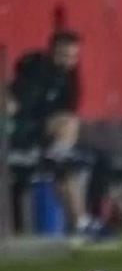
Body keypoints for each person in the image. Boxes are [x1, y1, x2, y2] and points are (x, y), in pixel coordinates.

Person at [9, 30, 104, 236]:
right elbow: (24, 108)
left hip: (50, 141)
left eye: (73, 57)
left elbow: (71, 106)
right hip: (27, 138)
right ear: (53, 52)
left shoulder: (71, 78)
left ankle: (85, 222)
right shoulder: (35, 72)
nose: (69, 61)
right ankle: (59, 153)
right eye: (64, 55)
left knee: (95, 161)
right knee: (67, 129)